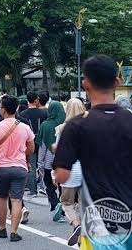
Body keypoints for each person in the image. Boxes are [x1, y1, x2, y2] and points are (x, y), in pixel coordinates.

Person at [54, 55, 132, 249]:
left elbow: (61, 176)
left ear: (85, 84)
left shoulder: (76, 126)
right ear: (117, 82)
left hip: (99, 223)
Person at [0, 95, 35, 243]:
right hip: (20, 167)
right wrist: (20, 152)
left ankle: (1, 228)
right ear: (17, 108)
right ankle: (14, 231)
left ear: (3, 109)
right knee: (17, 199)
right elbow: (31, 148)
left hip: (1, 168)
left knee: (2, 197)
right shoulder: (25, 127)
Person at [53, 98, 85, 247]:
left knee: (67, 202)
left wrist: (55, 173)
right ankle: (83, 234)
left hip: (69, 171)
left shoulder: (61, 128)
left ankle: (75, 224)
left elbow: (59, 152)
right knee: (84, 205)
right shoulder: (90, 127)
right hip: (86, 172)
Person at [36, 101, 66, 219]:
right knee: (62, 186)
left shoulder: (45, 125)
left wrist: (40, 163)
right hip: (63, 162)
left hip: (49, 162)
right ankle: (62, 206)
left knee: (49, 184)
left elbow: (42, 146)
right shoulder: (65, 123)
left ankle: (55, 204)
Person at [18, 91, 47, 197]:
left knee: (31, 165)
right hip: (42, 142)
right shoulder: (44, 113)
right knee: (43, 165)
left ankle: (33, 190)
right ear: (36, 100)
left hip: (29, 142)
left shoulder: (23, 114)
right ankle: (43, 186)